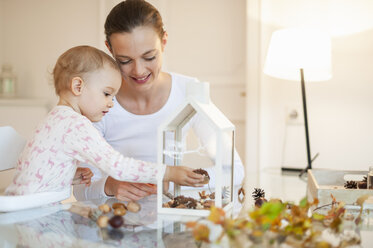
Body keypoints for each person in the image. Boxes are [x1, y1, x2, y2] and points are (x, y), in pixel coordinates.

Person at [73, 0, 245, 202]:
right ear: (109, 49)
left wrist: (169, 181)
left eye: (149, 57)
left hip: (172, 223)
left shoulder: (189, 91)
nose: (139, 71)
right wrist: (109, 186)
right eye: (125, 61)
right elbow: (80, 190)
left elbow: (234, 170)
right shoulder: (97, 102)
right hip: (116, 223)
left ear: (164, 41)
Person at [5, 46, 204, 196]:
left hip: (17, 205)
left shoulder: (52, 119)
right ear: (78, 86)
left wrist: (66, 174)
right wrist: (167, 172)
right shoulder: (76, 124)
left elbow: (34, 168)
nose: (111, 103)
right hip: (36, 215)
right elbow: (118, 166)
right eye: (107, 94)